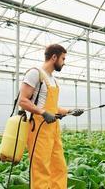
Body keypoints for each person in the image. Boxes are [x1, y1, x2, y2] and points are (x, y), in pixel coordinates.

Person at [19, 44, 84, 189]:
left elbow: (53, 108)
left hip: (53, 130)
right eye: (63, 58)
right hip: (38, 129)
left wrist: (70, 111)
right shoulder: (35, 73)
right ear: (54, 57)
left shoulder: (53, 80)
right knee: (41, 170)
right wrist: (42, 113)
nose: (64, 62)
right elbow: (22, 100)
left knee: (59, 167)